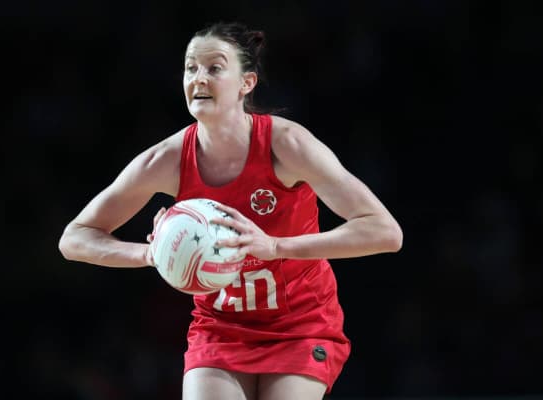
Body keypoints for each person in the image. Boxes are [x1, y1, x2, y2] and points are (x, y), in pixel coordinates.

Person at [58, 21, 403, 400]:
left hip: (300, 322)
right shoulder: (166, 159)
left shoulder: (287, 145)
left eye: (215, 68)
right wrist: (149, 254)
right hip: (220, 325)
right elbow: (75, 238)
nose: (198, 78)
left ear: (246, 83)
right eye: (191, 67)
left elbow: (384, 232)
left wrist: (276, 246)